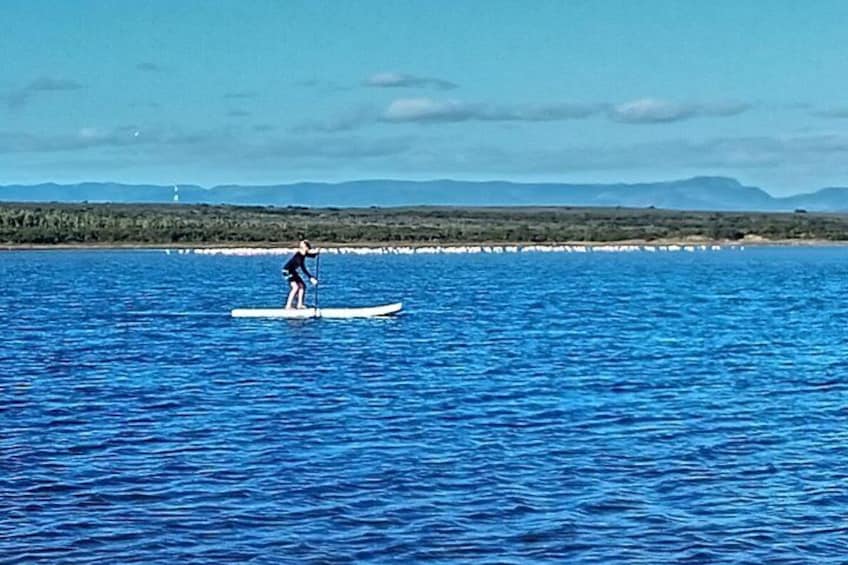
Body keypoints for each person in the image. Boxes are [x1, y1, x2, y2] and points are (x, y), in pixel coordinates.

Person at [283, 240, 319, 309]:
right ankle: (288, 305)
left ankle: (300, 304)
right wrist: (310, 277)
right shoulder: (298, 256)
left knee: (302, 286)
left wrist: (317, 252)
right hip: (287, 271)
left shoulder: (303, 253)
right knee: (295, 287)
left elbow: (312, 255)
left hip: (292, 271)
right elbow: (303, 268)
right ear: (305, 248)